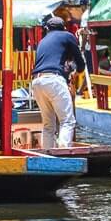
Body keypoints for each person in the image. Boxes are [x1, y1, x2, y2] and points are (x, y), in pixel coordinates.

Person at [30, 16, 85, 149]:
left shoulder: (42, 41)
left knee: (48, 125)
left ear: (47, 30)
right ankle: (63, 151)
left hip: (37, 81)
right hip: (53, 80)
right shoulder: (67, 36)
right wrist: (76, 73)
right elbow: (81, 63)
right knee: (67, 121)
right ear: (64, 28)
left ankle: (48, 154)